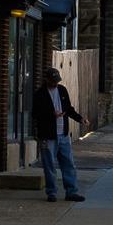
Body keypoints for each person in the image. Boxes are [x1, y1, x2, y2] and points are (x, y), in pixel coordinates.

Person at [32, 66, 86, 203]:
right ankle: (52, 192)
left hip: (63, 134)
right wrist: (52, 114)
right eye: (53, 81)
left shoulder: (62, 90)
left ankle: (71, 191)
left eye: (57, 80)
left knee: (68, 163)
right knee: (49, 165)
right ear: (46, 79)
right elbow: (35, 114)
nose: (55, 83)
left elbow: (69, 109)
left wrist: (80, 119)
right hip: (48, 135)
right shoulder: (40, 94)